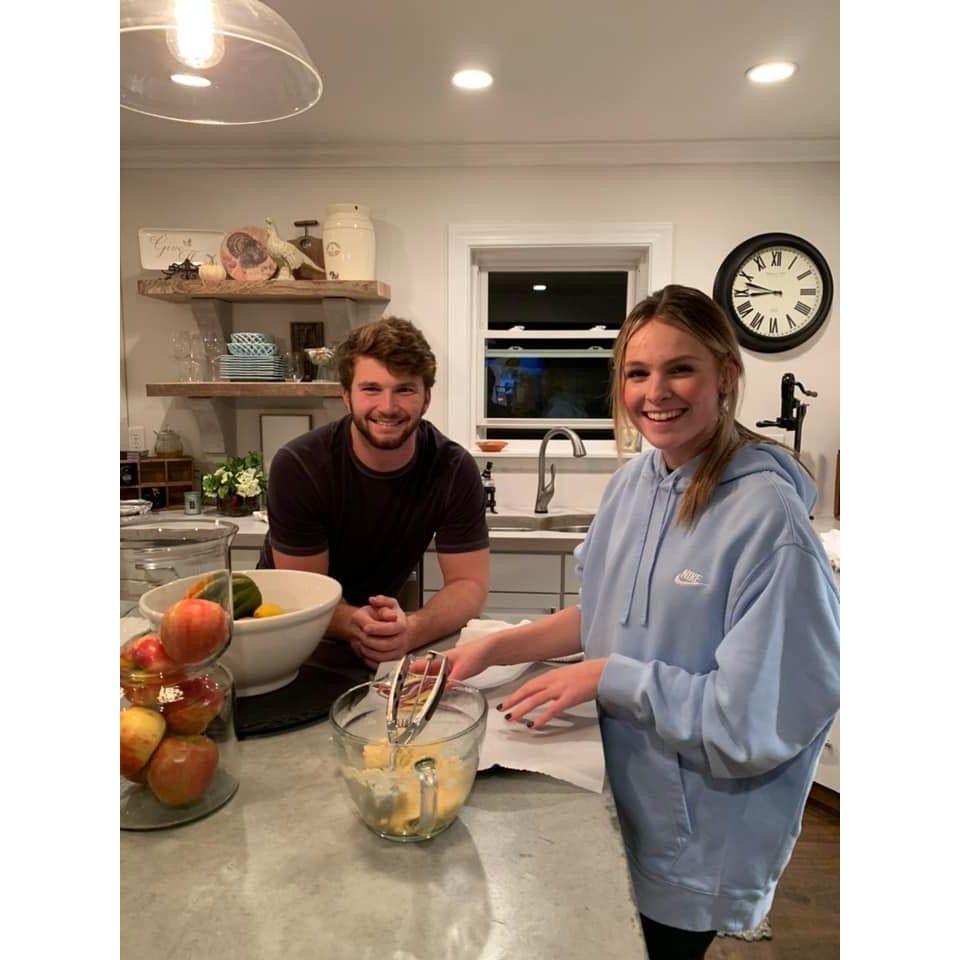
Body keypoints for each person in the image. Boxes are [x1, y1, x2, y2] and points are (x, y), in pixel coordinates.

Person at [441, 285, 839, 958]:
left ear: (725, 376)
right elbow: (604, 616)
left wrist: (610, 676)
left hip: (697, 839)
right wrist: (494, 647)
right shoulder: (635, 481)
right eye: (637, 372)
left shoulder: (769, 523)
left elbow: (754, 717)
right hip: (620, 804)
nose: (657, 391)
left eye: (680, 368)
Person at [259, 316, 490, 668]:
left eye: (405, 389)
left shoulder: (453, 469)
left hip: (378, 637)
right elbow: (302, 593)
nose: (387, 407)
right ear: (346, 398)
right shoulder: (300, 465)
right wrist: (359, 624)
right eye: (371, 389)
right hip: (287, 627)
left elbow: (468, 584)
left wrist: (411, 630)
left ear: (426, 398)